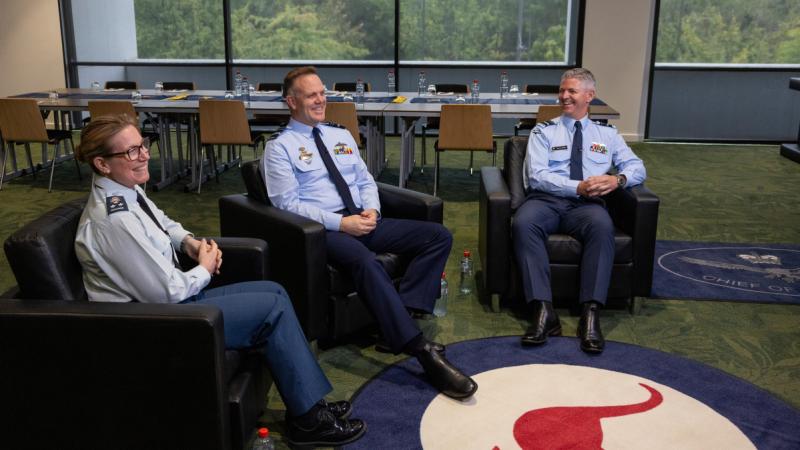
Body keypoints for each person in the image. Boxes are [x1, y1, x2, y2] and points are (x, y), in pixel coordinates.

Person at [73, 114, 365, 448]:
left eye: (143, 145)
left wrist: (190, 243)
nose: (144, 155)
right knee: (272, 305)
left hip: (164, 307)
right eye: (131, 152)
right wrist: (206, 268)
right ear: (102, 163)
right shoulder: (113, 220)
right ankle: (310, 421)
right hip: (151, 324)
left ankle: (310, 408)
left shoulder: (125, 191)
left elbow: (163, 223)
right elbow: (166, 293)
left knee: (274, 292)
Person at [262, 66, 477, 400]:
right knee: (365, 262)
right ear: (291, 102)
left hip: (361, 218)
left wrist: (372, 210)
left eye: (322, 93)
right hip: (323, 230)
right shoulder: (280, 147)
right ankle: (418, 348)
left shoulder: (340, 134)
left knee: (437, 236)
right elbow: (287, 205)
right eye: (311, 95)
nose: (321, 100)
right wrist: (341, 224)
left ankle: (401, 313)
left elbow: (364, 180)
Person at [515, 68, 646, 354]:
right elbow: (537, 175)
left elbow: (638, 168)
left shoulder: (607, 134)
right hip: (546, 200)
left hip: (587, 207)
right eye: (562, 90)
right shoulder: (543, 131)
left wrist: (617, 179)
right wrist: (578, 187)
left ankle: (590, 314)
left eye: (571, 91)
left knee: (602, 226)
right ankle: (543, 311)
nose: (564, 96)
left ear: (590, 96)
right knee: (523, 223)